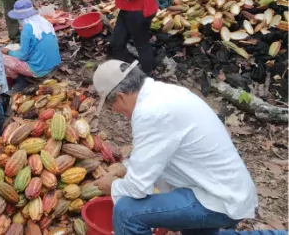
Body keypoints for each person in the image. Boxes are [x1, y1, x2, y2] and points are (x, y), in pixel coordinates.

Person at [92, 60, 264, 235]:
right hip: (221, 189)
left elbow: (137, 188)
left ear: (120, 96)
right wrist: (127, 166)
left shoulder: (150, 112)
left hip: (217, 198)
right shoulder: (162, 93)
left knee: (127, 212)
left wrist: (113, 186)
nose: (115, 111)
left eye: (111, 106)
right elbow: (158, 154)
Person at [0, 0, 61, 87]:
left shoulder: (27, 29)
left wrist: (7, 51)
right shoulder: (44, 22)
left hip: (39, 69)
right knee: (18, 48)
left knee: (1, 57)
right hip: (54, 64)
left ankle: (20, 82)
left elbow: (22, 56)